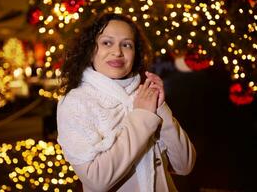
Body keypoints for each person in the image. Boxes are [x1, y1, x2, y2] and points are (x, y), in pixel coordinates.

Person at [56, 13, 196, 192]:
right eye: (107, 42)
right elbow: (97, 181)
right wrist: (143, 116)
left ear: (135, 53)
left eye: (126, 44)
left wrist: (161, 108)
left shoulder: (144, 94)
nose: (117, 52)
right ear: (90, 50)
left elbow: (185, 165)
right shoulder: (75, 102)